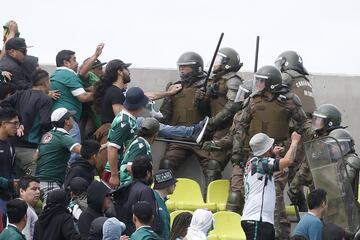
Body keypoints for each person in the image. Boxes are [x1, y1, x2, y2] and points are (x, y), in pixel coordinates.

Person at [203, 65, 310, 239]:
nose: (257, 84)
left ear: (272, 84)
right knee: (244, 196)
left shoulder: (289, 100)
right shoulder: (252, 100)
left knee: (275, 197)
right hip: (254, 155)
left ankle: (280, 234)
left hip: (278, 153)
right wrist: (236, 153)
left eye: (261, 81)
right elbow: (240, 128)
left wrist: (313, 137)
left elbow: (304, 124)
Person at [159, 51, 215, 185]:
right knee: (166, 164)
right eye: (180, 66)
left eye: (185, 66)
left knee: (213, 168)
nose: (182, 69)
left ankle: (210, 201)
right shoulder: (175, 87)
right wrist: (168, 96)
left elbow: (216, 112)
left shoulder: (209, 86)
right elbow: (164, 114)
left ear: (196, 67)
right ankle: (163, 196)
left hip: (202, 139)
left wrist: (205, 98)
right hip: (179, 139)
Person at [194, 47, 244, 187]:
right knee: (209, 166)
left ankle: (211, 202)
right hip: (213, 129)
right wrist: (200, 99)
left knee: (213, 166)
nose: (215, 63)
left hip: (228, 129)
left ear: (227, 63)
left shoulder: (233, 80)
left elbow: (233, 105)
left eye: (219, 60)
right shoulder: (213, 79)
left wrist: (213, 122)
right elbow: (204, 109)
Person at [275, 50, 316, 211]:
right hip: (309, 131)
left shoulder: (287, 77)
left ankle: (301, 210)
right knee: (298, 174)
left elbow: (276, 95)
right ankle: (303, 210)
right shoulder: (304, 80)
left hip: (295, 133)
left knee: (286, 171)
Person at [241, 131, 301, 240]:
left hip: (262, 221)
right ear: (267, 149)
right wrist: (294, 142)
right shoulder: (260, 163)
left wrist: (273, 154)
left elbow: (275, 163)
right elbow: (288, 160)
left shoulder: (254, 162)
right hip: (257, 220)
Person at [288, 104, 344, 210]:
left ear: (329, 122)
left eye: (320, 120)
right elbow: (307, 163)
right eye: (315, 119)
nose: (316, 122)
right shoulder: (316, 137)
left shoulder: (335, 140)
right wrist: (294, 187)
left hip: (331, 189)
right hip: (316, 186)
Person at [51, 46, 100, 163]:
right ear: (66, 62)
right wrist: (101, 92)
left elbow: (82, 72)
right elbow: (83, 97)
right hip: (68, 119)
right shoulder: (68, 75)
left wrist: (95, 55)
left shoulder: (57, 75)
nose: (77, 63)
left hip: (59, 119)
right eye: (74, 60)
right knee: (73, 154)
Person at [0, 69, 53, 176]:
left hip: (13, 147)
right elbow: (45, 122)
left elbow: (3, 104)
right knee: (32, 184)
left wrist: (17, 121)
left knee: (17, 184)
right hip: (31, 150)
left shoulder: (19, 94)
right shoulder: (45, 99)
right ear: (45, 83)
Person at [35, 108, 81, 203]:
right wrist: (103, 146)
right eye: (71, 117)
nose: (73, 119)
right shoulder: (62, 136)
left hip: (41, 180)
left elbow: (35, 157)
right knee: (52, 212)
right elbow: (81, 150)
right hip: (51, 181)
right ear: (67, 121)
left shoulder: (47, 135)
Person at [116, 155, 162, 236]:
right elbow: (151, 222)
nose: (153, 173)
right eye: (152, 170)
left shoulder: (126, 187)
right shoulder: (145, 191)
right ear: (148, 173)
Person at [120, 117, 159, 185]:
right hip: (130, 186)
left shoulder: (142, 142)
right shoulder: (140, 144)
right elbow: (130, 167)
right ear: (156, 134)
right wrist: (141, 184)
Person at [0, 107, 19, 226]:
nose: (17, 126)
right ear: (3, 123)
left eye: (18, 123)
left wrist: (14, 183)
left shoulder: (10, 143)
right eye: (14, 123)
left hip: (7, 196)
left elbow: (11, 168)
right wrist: (9, 183)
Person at [153, 169, 177, 240]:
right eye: (173, 183)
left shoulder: (161, 200)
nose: (175, 185)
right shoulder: (154, 199)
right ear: (166, 184)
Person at [18, 176, 40, 240]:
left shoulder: (28, 207)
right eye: (34, 189)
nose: (38, 192)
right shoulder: (23, 208)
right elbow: (25, 234)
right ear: (22, 191)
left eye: (39, 189)